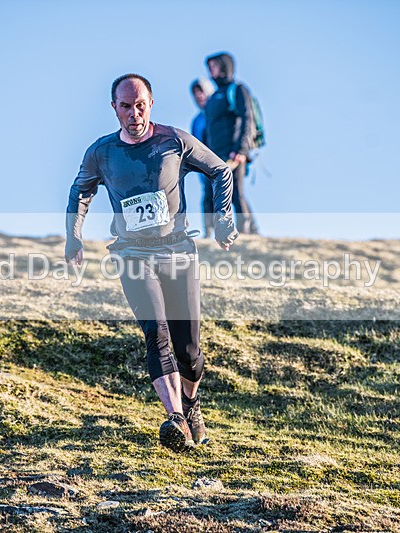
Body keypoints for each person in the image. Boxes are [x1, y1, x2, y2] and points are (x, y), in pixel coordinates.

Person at [65, 74, 238, 452]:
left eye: (140, 104)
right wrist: (73, 236)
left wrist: (223, 217)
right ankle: (175, 417)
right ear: (114, 108)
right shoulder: (102, 152)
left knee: (189, 351)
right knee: (155, 333)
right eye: (125, 106)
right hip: (132, 254)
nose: (133, 113)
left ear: (151, 103)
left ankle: (190, 404)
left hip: (177, 251)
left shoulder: (173, 141)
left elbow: (220, 170)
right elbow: (80, 192)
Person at [204, 52, 259, 234]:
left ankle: (245, 232)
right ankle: (219, 232)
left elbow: (246, 118)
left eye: (215, 65)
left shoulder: (237, 89)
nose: (211, 70)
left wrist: (241, 149)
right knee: (216, 193)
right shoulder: (213, 97)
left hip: (234, 152)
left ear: (225, 66)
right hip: (214, 154)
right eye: (209, 66)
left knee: (236, 192)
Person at [190, 77, 216, 238]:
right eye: (195, 94)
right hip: (205, 165)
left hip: (224, 161)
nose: (199, 96)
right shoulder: (197, 120)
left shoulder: (220, 115)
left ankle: (248, 228)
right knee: (207, 195)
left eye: (201, 92)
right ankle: (208, 230)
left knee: (233, 194)